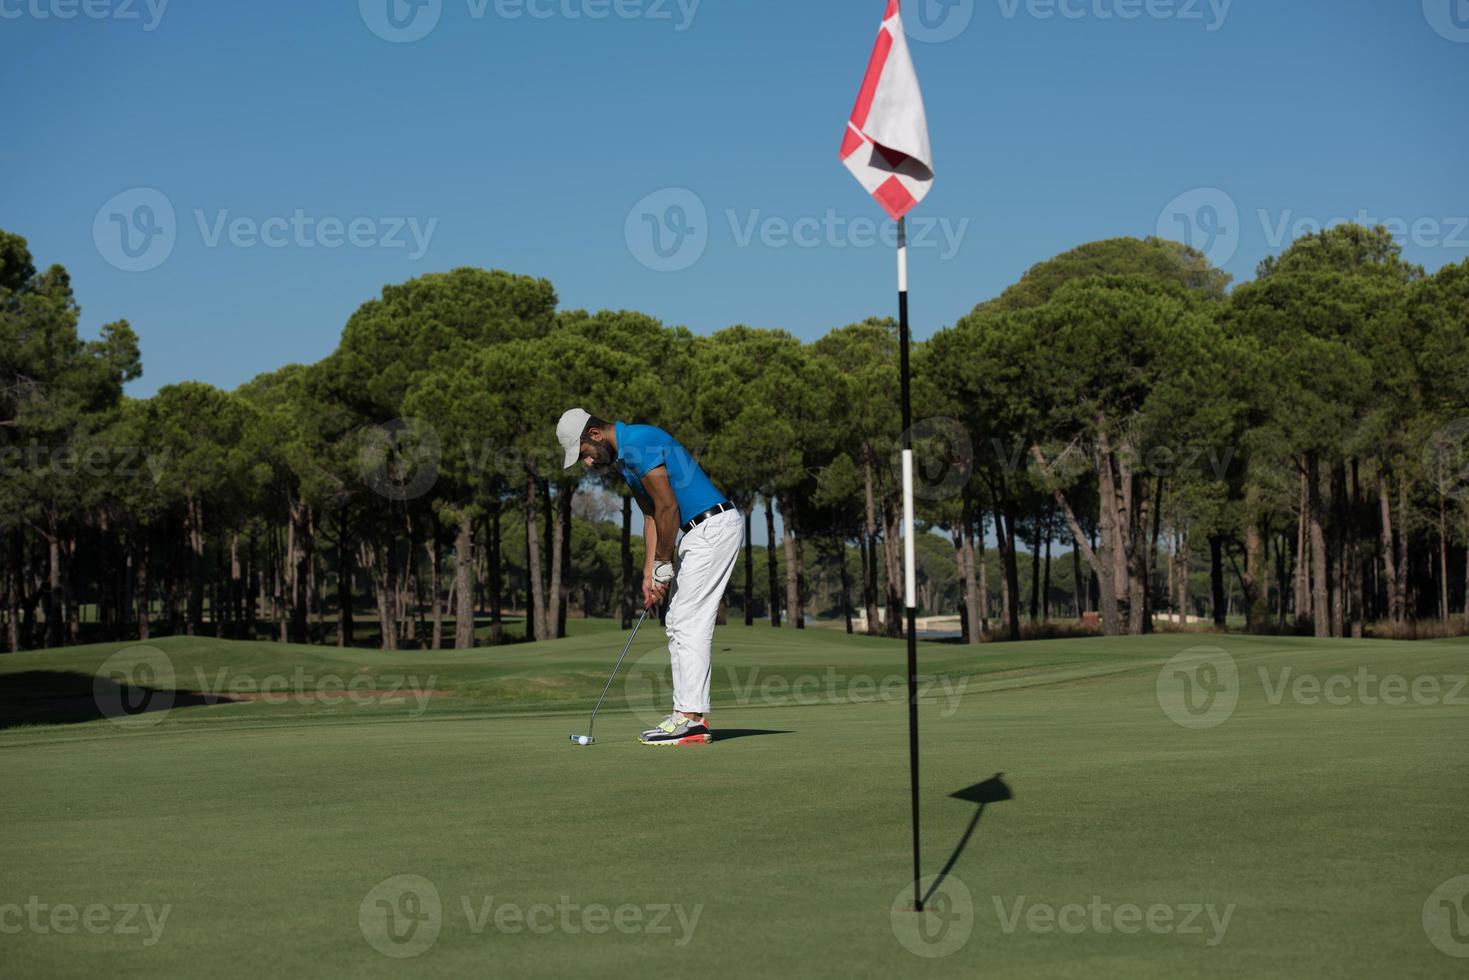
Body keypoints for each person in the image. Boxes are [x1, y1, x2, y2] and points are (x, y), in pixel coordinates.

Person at [557, 408, 742, 746]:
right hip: (695, 533)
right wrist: (649, 572)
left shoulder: (639, 443)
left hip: (710, 527)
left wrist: (663, 565)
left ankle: (691, 721)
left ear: (595, 435)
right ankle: (686, 716)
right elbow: (652, 516)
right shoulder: (625, 461)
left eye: (584, 453)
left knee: (687, 621)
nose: (587, 463)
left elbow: (669, 507)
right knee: (680, 621)